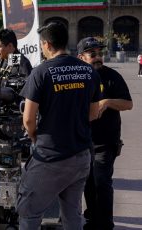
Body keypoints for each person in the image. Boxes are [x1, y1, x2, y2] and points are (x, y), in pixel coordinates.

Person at [18, 22, 101, 230]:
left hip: (51, 156)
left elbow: (28, 119)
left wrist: (35, 137)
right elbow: (93, 113)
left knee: (28, 211)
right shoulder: (88, 71)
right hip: (81, 154)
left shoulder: (41, 72)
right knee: (72, 214)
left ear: (46, 44)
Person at [77, 37, 133, 230]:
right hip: (82, 143)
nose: (98, 57)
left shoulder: (112, 76)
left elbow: (128, 104)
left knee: (102, 183)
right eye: (93, 54)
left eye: (100, 53)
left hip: (105, 144)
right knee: (87, 185)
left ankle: (105, 224)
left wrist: (107, 102)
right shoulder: (77, 78)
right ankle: (92, 220)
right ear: (81, 57)